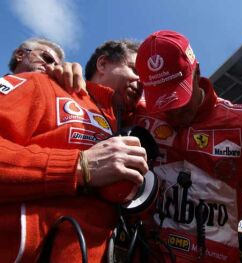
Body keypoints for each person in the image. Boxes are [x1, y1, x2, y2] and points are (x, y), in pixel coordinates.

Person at [130, 30, 242, 262]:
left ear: (196, 73)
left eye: (178, 96)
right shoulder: (138, 114)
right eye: (161, 99)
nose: (172, 110)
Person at [0, 39, 148, 262]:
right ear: (103, 63)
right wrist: (81, 167)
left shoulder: (136, 122)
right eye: (134, 70)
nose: (141, 82)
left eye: (147, 80)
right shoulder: (44, 85)